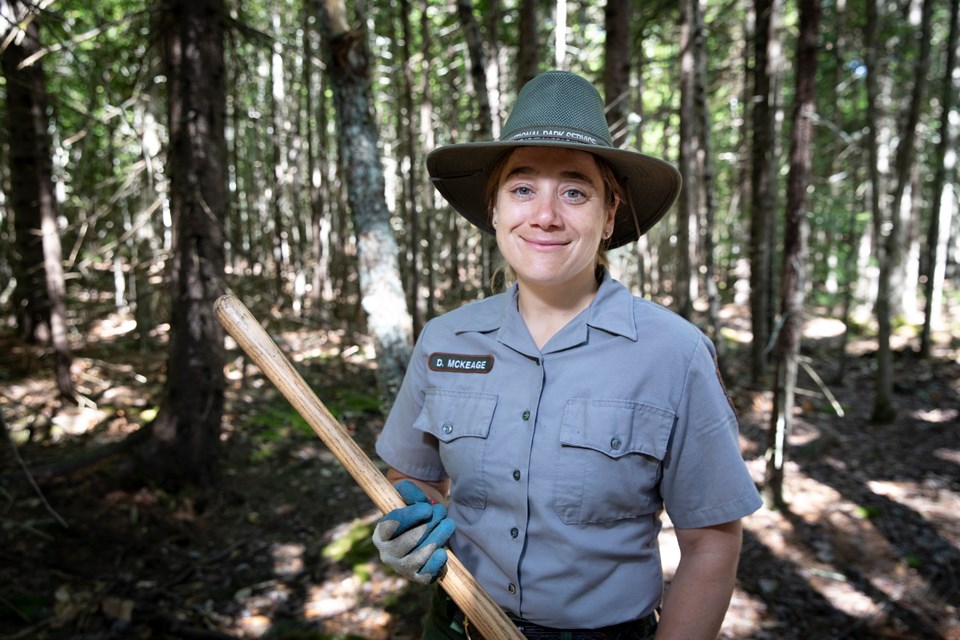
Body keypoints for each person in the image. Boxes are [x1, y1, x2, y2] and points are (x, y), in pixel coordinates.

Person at [371, 70, 763, 640]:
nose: (547, 214)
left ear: (608, 216)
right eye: (522, 188)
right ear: (496, 210)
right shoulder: (445, 340)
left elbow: (711, 542)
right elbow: (413, 476)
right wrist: (409, 522)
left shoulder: (674, 354)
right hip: (454, 626)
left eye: (575, 191)